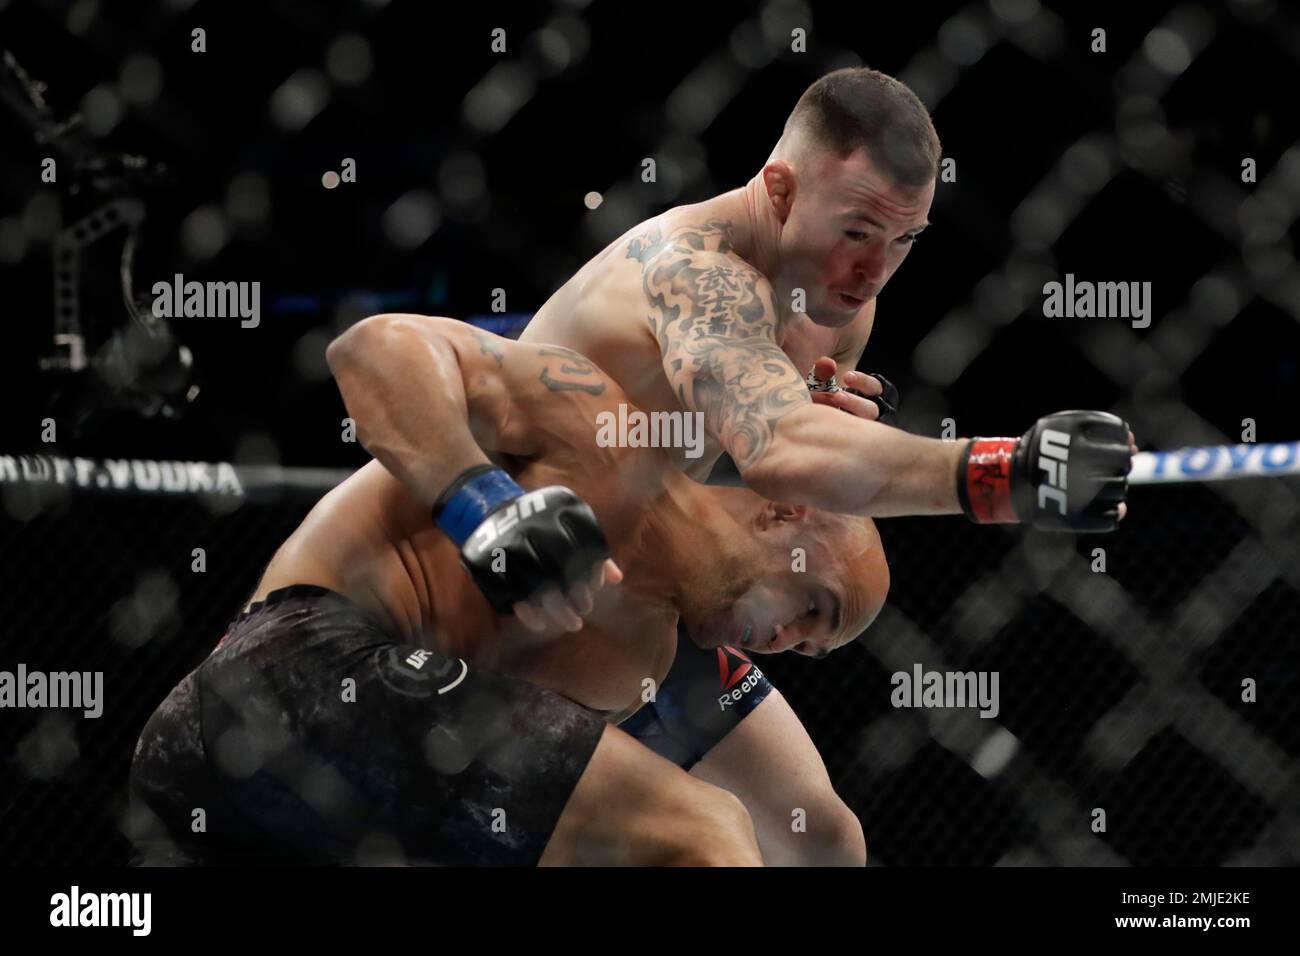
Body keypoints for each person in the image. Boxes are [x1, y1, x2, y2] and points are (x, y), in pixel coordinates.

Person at [520, 66, 1136, 864]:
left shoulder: (839, 305)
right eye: (856, 231)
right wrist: (1003, 473)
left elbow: (759, 487)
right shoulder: (691, 271)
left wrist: (815, 414)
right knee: (707, 843)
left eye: (904, 240)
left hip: (647, 595)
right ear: (779, 190)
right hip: (517, 603)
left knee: (826, 841)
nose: (874, 271)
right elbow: (779, 450)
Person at [128, 315, 889, 867]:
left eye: (810, 648)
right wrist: (481, 503)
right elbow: (371, 348)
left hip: (271, 801)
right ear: (787, 510)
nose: (789, 643)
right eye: (813, 607)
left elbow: (502, 800)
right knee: (706, 830)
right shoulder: (606, 429)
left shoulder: (640, 661)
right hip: (289, 670)